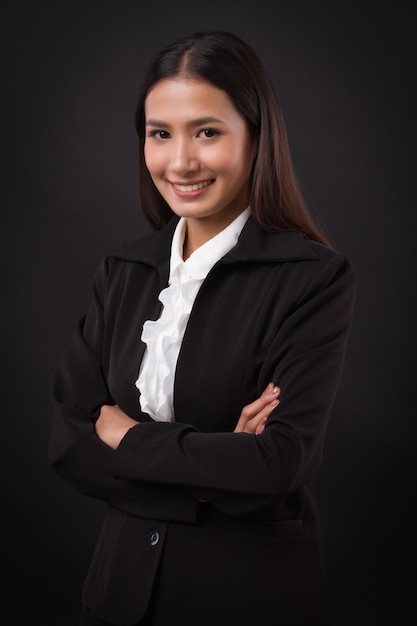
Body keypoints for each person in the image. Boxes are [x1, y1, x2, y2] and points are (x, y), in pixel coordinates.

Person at [48, 30, 356, 626]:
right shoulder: (123, 271)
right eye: (160, 133)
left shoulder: (313, 279)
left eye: (207, 132)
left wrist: (126, 436)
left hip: (249, 600)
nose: (180, 161)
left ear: (256, 135)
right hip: (117, 600)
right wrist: (218, 472)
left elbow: (277, 465)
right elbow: (67, 446)